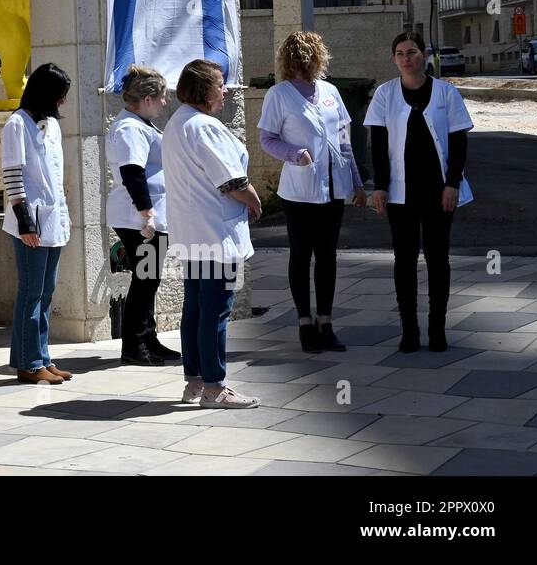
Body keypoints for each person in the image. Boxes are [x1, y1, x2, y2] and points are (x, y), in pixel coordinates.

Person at [162, 59, 263, 409]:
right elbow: (232, 181)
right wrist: (253, 199)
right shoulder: (205, 126)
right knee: (215, 311)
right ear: (203, 88)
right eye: (220, 83)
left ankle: (194, 381)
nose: (225, 90)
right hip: (215, 233)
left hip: (193, 232)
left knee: (195, 309)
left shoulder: (177, 124)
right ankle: (215, 386)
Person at [257, 32, 366, 354]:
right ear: (289, 60)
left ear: (319, 57)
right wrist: (293, 154)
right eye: (299, 56)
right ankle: (305, 322)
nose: (305, 61)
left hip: (334, 188)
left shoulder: (331, 92)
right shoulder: (279, 95)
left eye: (310, 55)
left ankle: (326, 321)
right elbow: (267, 139)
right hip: (300, 190)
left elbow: (345, 141)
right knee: (302, 255)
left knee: (328, 256)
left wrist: (358, 183)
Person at [365, 32, 473, 353]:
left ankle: (437, 329)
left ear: (424, 55)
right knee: (405, 260)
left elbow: (458, 141)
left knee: (438, 259)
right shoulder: (385, 94)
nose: (406, 58)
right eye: (399, 53)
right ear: (394, 58)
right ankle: (409, 331)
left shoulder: (445, 92)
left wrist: (452, 183)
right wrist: (380, 187)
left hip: (439, 191)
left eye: (412, 52)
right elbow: (379, 145)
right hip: (400, 193)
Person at [1, 63, 72, 384]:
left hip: (53, 220)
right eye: (59, 96)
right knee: (31, 292)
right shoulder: (17, 124)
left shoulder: (51, 125)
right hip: (30, 221)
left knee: (46, 293)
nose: (63, 103)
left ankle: (40, 356)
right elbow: (13, 176)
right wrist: (26, 222)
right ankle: (29, 363)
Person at [105, 64, 180, 366]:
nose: (165, 103)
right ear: (148, 98)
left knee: (149, 278)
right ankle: (134, 346)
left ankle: (148, 339)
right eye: (162, 97)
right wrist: (146, 214)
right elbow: (132, 173)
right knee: (145, 279)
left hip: (147, 216)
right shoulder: (129, 129)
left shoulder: (140, 124)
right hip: (139, 218)